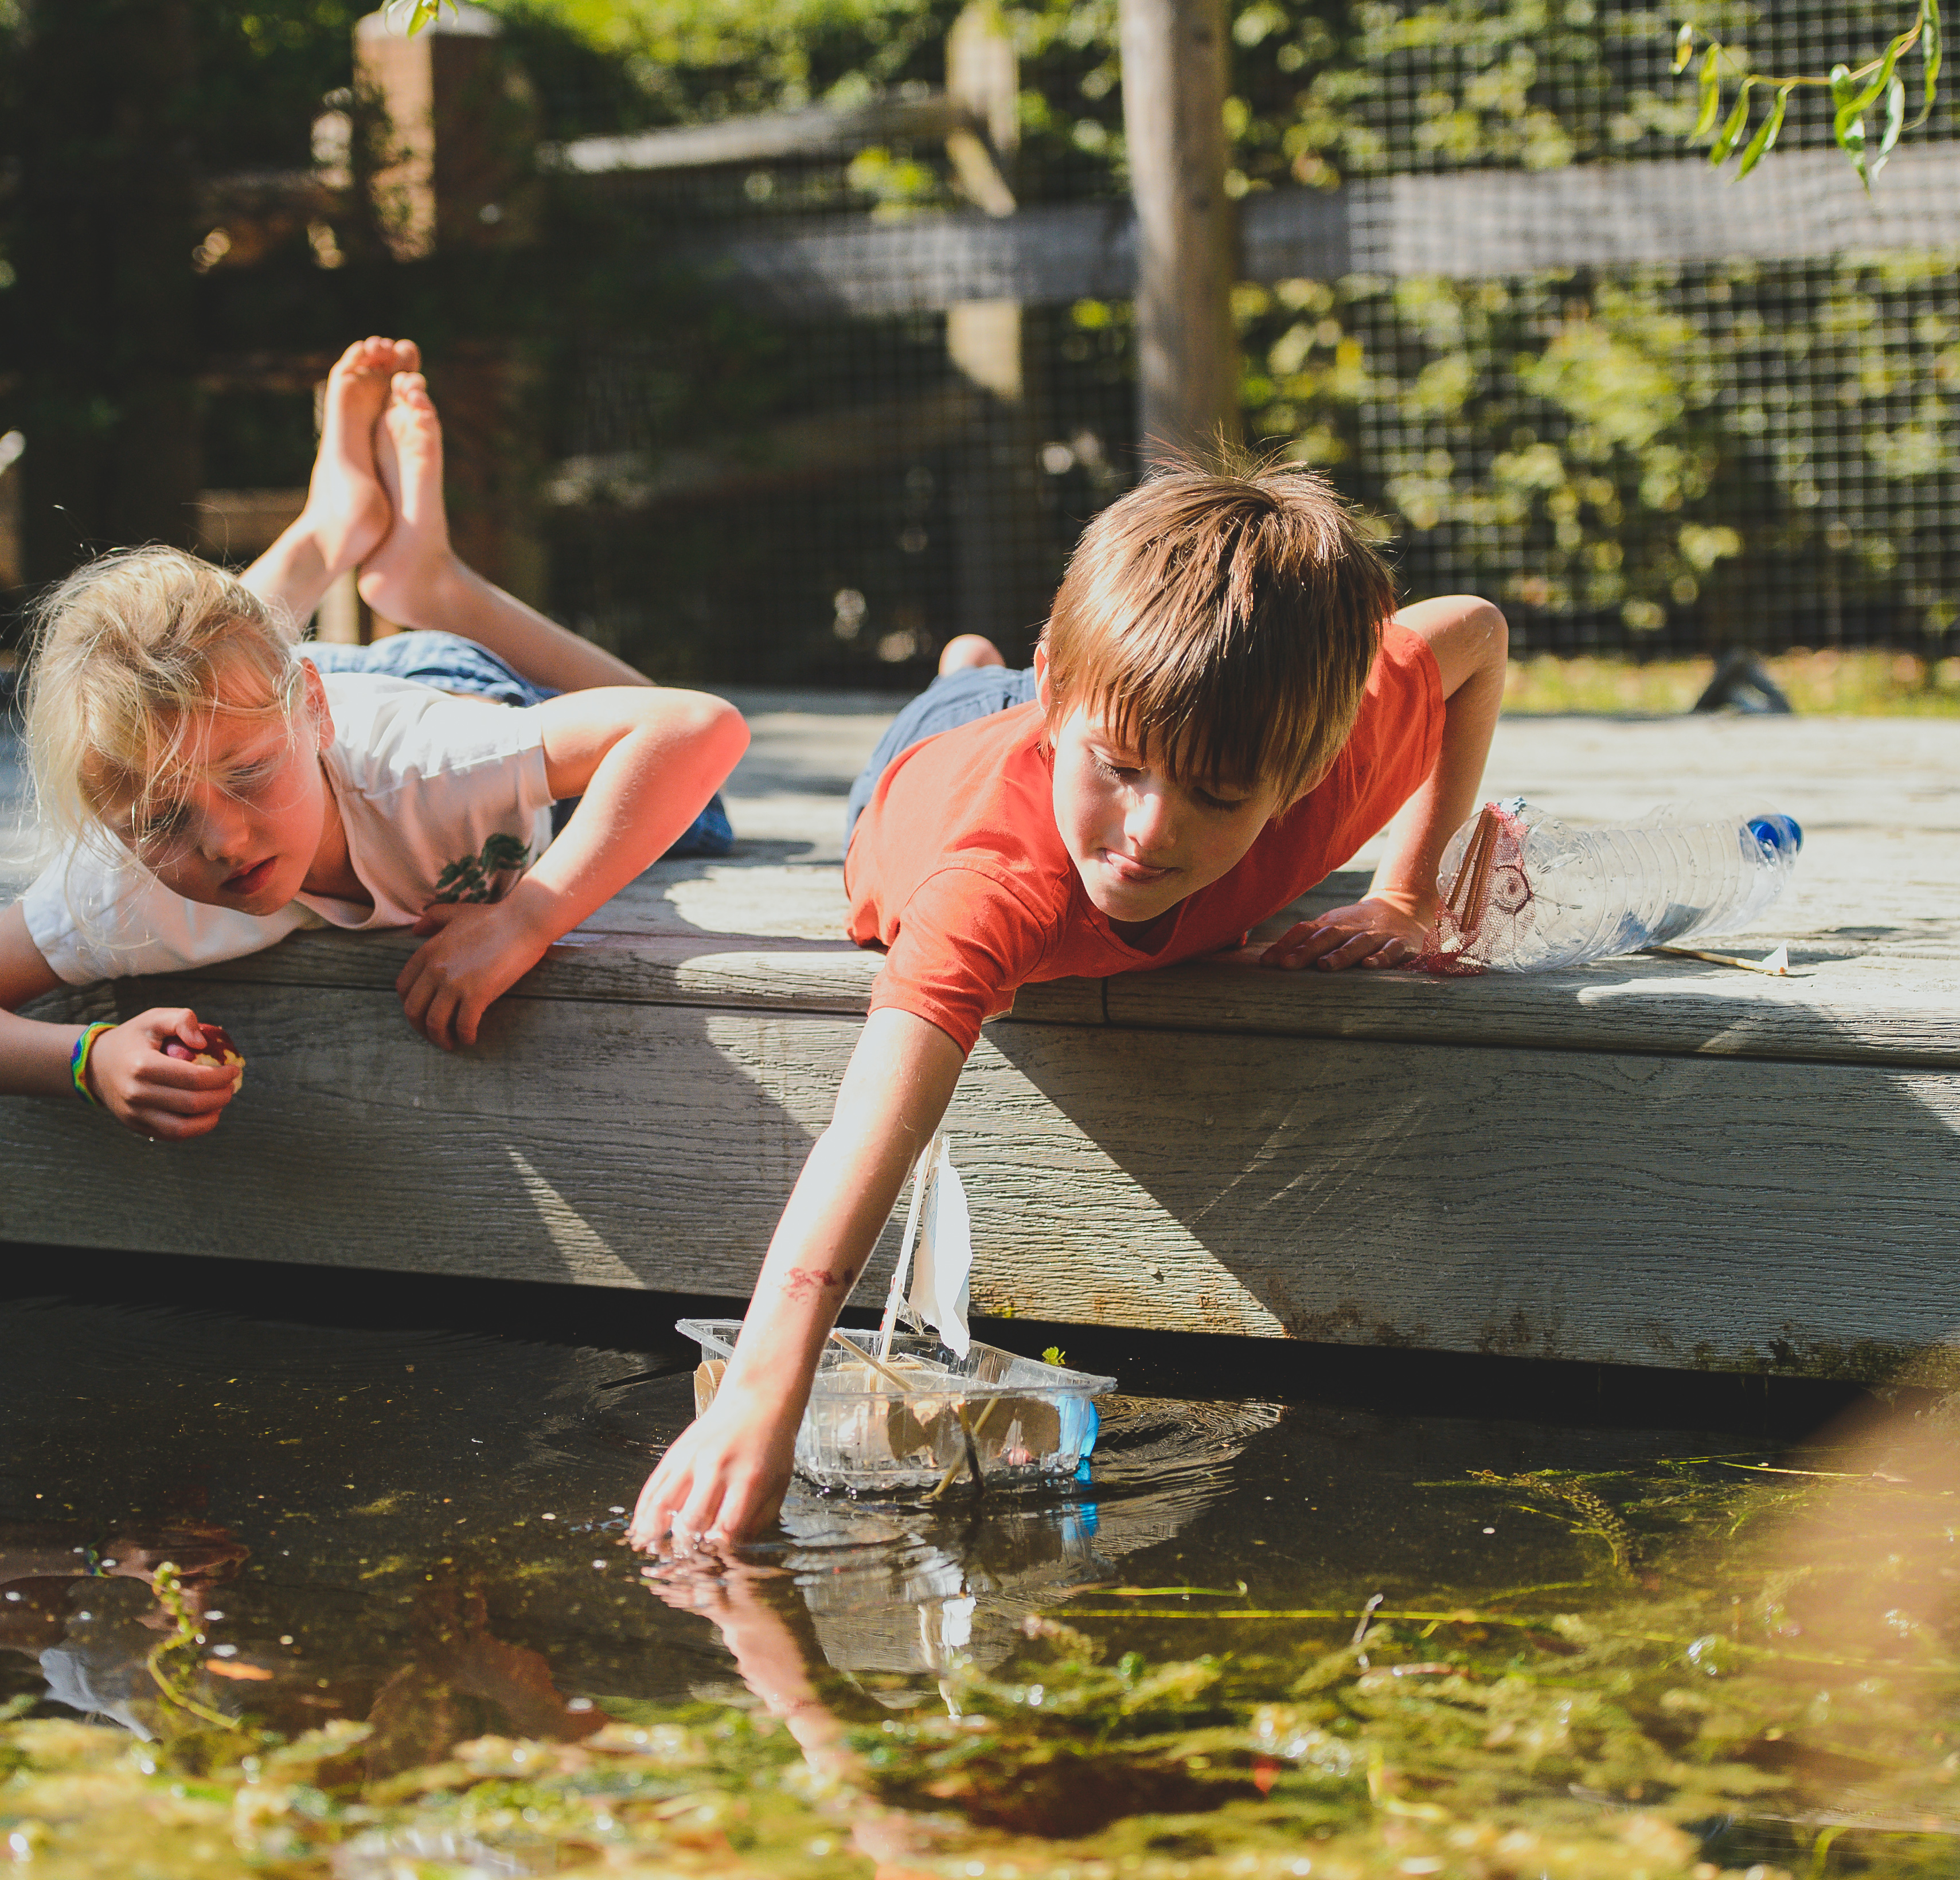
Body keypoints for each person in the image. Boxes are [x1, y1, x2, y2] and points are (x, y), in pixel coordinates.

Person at [630, 458, 1506, 1546]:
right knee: (951, 702)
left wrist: (1408, 898)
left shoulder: (1316, 751)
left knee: (1071, 722)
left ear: (1310, 766)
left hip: (1071, 704)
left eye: (1219, 797)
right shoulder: (985, 890)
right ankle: (975, 669)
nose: (1150, 833)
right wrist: (766, 1386)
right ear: (1063, 699)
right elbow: (869, 1130)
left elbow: (1471, 631)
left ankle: (998, 675)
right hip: (932, 764)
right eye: (1125, 773)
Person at [0, 338, 748, 1139]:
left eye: (247, 781)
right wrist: (84, 1060)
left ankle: (438, 592)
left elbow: (696, 728)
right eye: (160, 821)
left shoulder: (437, 766)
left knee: (701, 811)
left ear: (314, 713)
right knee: (193, 676)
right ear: (106, 815)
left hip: (443, 686)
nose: (222, 841)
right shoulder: (125, 881)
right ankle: (334, 525)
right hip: (270, 700)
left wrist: (530, 916)